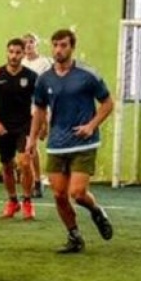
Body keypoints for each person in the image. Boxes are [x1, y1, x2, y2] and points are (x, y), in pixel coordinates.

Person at [26, 29, 114, 253]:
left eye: (63, 45)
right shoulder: (45, 79)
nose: (58, 49)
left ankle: (96, 211)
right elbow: (39, 110)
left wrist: (91, 125)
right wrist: (32, 139)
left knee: (77, 193)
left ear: (72, 47)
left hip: (84, 143)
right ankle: (74, 236)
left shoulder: (87, 74)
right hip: (56, 143)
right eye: (55, 45)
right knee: (58, 195)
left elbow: (107, 103)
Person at [0, 38, 39, 220]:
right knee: (6, 165)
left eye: (18, 52)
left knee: (24, 162)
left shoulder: (31, 77)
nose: (14, 56)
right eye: (11, 52)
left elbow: (40, 104)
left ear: (24, 54)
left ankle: (28, 200)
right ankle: (12, 200)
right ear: (7, 52)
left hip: (25, 125)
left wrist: (42, 125)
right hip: (3, 127)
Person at [22, 32, 53, 198]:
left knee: (32, 145)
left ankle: (38, 181)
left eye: (31, 42)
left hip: (38, 109)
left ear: (37, 43)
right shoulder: (20, 62)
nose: (28, 45)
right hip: (22, 110)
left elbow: (48, 88)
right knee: (26, 147)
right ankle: (33, 181)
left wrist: (46, 119)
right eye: (25, 42)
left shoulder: (45, 63)